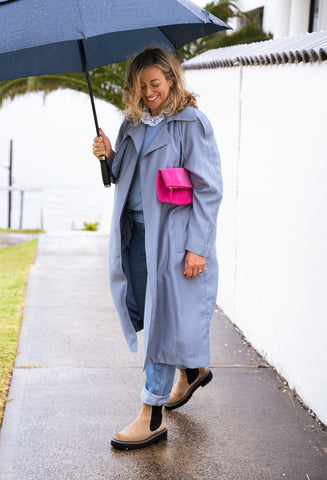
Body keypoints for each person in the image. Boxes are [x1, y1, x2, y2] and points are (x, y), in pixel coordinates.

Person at [92, 47, 222, 451]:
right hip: (137, 237)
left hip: (174, 239)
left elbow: (208, 190)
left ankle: (151, 414)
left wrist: (197, 247)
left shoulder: (191, 123)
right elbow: (123, 176)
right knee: (153, 317)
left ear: (171, 81)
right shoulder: (130, 123)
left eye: (156, 83)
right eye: (142, 84)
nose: (149, 92)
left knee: (163, 319)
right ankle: (193, 367)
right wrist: (108, 155)